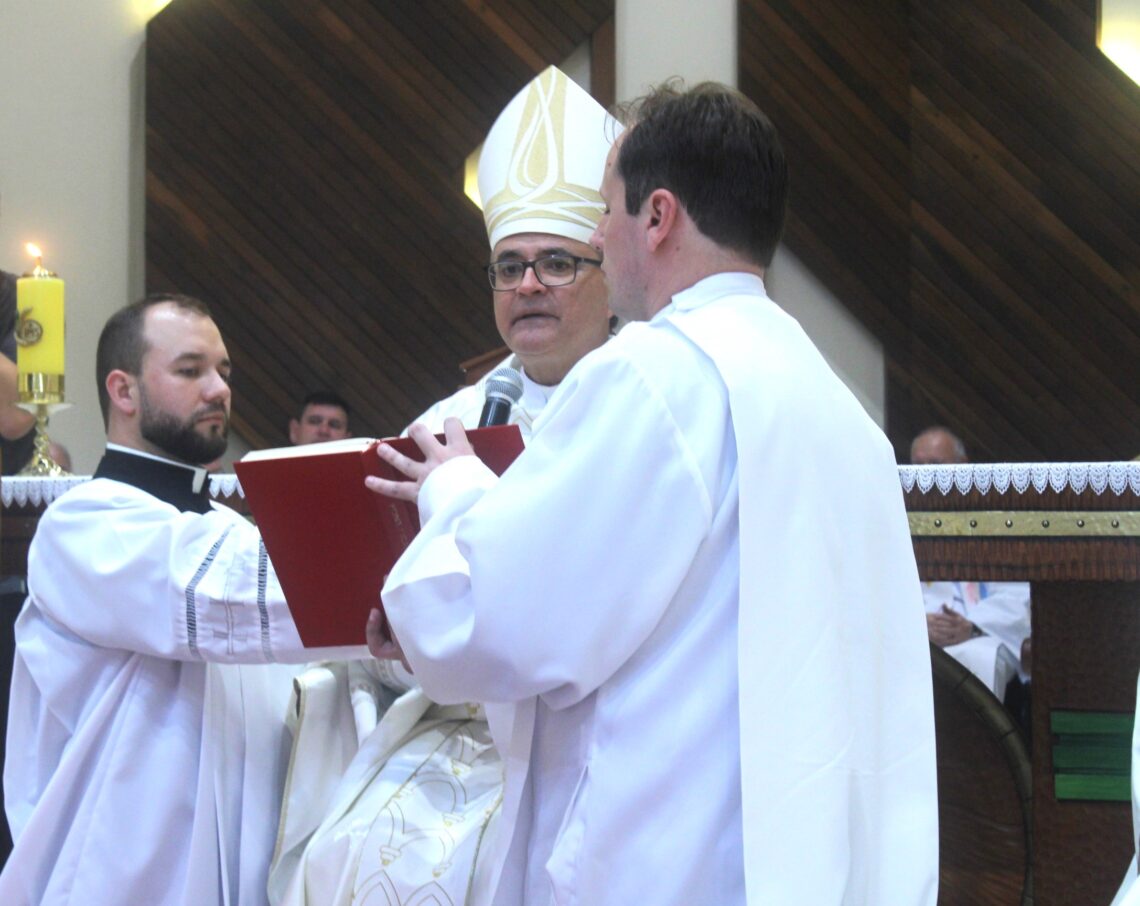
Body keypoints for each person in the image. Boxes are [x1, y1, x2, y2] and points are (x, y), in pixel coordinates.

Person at [367, 83, 939, 905]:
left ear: (658, 216)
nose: (598, 234)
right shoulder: (839, 408)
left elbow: (497, 617)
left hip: (666, 858)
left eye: (606, 211)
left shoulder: (656, 375)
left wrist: (454, 489)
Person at [270, 65, 618, 906]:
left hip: (588, 730)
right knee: (338, 860)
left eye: (556, 263)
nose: (527, 285)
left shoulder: (639, 407)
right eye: (508, 267)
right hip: (454, 725)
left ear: (610, 278)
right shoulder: (450, 420)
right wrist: (395, 641)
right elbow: (394, 621)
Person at [0, 294, 367, 905]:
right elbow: (230, 600)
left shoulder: (234, 533)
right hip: (114, 878)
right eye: (191, 370)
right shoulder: (84, 525)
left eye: (224, 371)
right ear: (124, 391)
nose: (219, 388)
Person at [910, 426, 1033, 697]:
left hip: (980, 634)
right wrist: (914, 624)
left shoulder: (994, 517)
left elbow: (1017, 595)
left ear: (963, 466)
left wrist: (973, 626)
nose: (925, 476)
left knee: (977, 659)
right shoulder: (897, 520)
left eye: (935, 465)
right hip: (916, 634)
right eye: (917, 466)